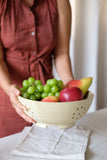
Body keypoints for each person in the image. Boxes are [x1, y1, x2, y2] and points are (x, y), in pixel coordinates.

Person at [0, 0, 74, 138]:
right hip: (7, 97)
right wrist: (9, 88)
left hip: (47, 101)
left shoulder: (60, 2)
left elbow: (62, 53)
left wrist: (70, 85)